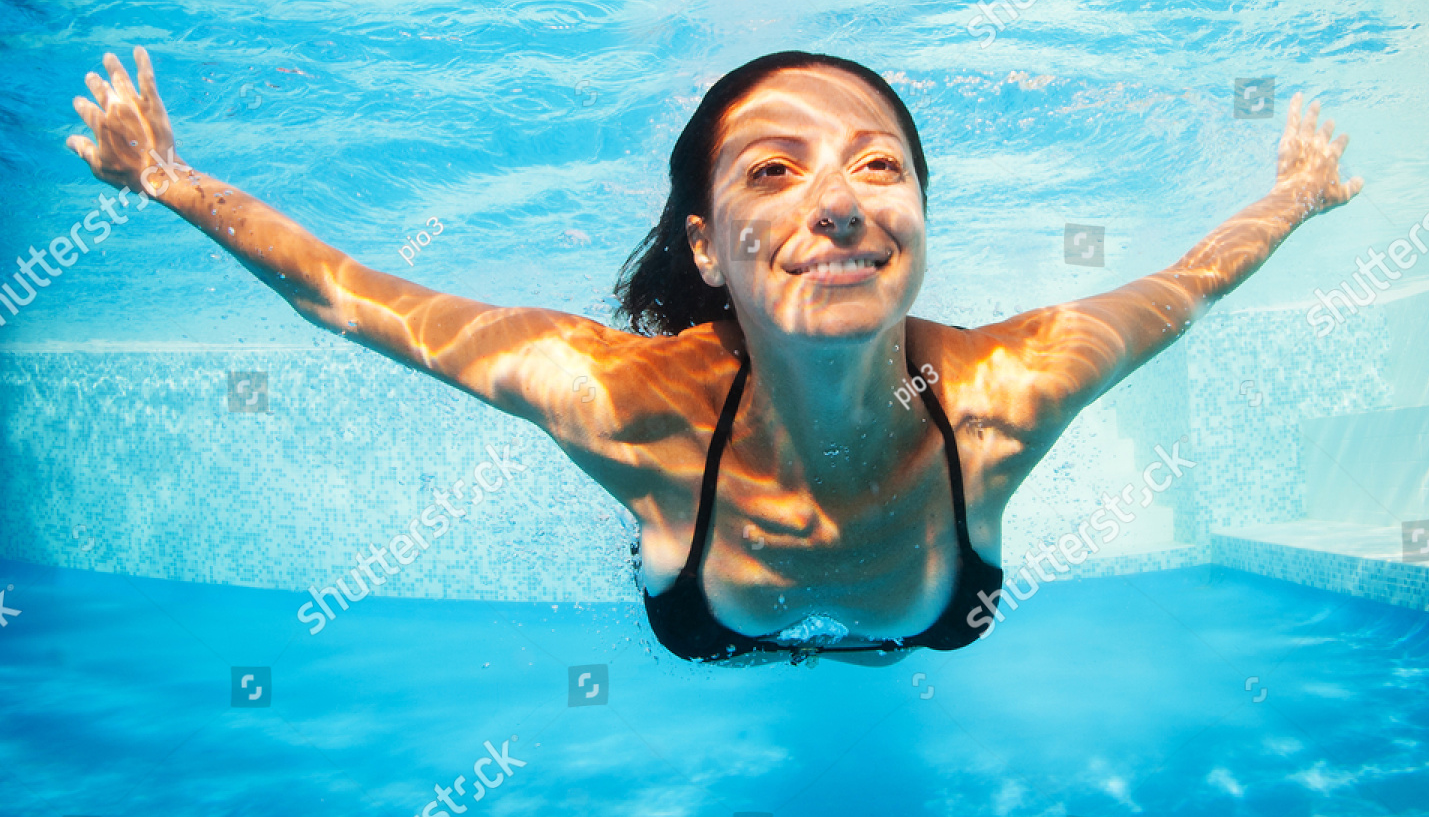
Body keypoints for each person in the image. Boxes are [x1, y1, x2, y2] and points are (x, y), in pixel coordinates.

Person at [66, 47, 1361, 664]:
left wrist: (1297, 199)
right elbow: (357, 300)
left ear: (918, 219)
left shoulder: (1006, 395)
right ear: (707, 244)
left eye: (878, 168)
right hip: (714, 615)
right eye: (777, 170)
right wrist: (175, 184)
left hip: (918, 617)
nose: (838, 204)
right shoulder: (631, 406)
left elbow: (1186, 287)